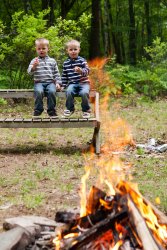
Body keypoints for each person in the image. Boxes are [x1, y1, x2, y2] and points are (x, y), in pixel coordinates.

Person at [27, 38, 62, 118]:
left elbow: (56, 73)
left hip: (50, 83)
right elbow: (29, 72)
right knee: (39, 92)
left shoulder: (52, 61)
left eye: (43, 48)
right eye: (39, 49)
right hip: (38, 82)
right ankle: (38, 110)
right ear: (36, 49)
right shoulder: (34, 61)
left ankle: (51, 111)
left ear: (48, 49)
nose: (41, 50)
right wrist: (34, 67)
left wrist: (58, 83)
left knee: (52, 91)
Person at [61, 39, 91, 118]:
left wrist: (81, 71)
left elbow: (88, 71)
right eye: (71, 50)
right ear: (67, 50)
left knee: (84, 93)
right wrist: (63, 85)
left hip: (84, 83)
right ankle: (70, 109)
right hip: (72, 83)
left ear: (79, 50)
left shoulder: (82, 61)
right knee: (69, 91)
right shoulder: (66, 63)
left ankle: (86, 110)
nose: (73, 51)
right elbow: (64, 75)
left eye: (75, 49)